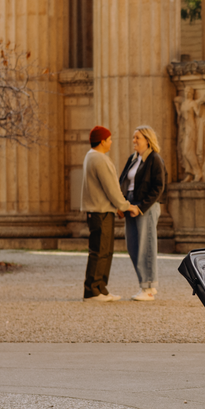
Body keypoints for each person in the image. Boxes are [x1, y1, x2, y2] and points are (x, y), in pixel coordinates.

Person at [81, 126, 140, 302]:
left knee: (105, 251)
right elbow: (111, 188)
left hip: (101, 210)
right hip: (100, 211)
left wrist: (116, 208)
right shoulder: (99, 159)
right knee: (100, 251)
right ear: (102, 141)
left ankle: (100, 288)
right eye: (109, 139)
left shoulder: (91, 156)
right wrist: (125, 206)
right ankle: (92, 291)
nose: (111, 142)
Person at [118, 125, 166, 301]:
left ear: (147, 139)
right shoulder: (133, 158)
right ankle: (143, 285)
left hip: (146, 206)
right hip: (130, 204)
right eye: (133, 138)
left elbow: (158, 187)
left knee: (146, 246)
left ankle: (149, 287)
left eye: (137, 138)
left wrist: (141, 207)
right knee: (133, 245)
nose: (134, 141)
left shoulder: (155, 159)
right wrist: (121, 204)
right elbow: (123, 180)